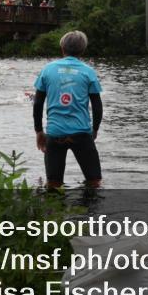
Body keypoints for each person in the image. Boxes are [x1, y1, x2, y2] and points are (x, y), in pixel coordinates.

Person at [33, 30, 104, 189]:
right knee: (94, 181)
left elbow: (38, 103)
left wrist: (39, 131)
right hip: (81, 132)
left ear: (62, 48)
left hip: (55, 133)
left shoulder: (47, 69)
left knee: (53, 184)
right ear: (83, 50)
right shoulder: (88, 72)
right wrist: (95, 129)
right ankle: (92, 212)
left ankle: (55, 213)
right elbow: (97, 106)